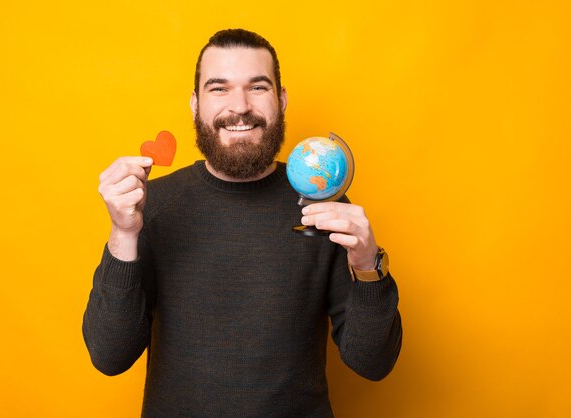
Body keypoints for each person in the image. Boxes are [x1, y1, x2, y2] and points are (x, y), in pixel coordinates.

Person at [83, 28, 402, 418]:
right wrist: (123, 234)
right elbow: (109, 355)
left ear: (281, 100)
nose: (240, 106)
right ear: (195, 103)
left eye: (258, 87)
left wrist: (369, 266)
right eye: (219, 88)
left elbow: (373, 363)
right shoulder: (152, 206)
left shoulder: (324, 206)